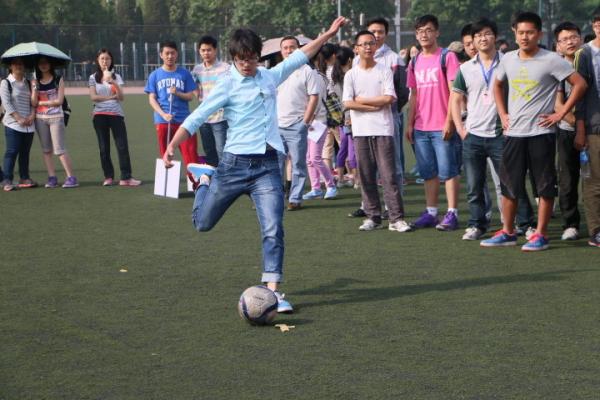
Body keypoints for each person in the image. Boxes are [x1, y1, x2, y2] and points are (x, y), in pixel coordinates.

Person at [162, 17, 348, 313]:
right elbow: (197, 117)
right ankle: (204, 181)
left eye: (251, 59)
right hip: (233, 166)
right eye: (241, 60)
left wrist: (328, 34)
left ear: (258, 57)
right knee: (202, 224)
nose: (247, 64)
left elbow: (302, 55)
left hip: (268, 167)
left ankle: (273, 291)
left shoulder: (269, 76)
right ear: (233, 58)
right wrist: (172, 145)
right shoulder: (226, 85)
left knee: (273, 228)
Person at [481, 11, 587, 251]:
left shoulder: (552, 60)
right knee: (509, 185)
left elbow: (580, 84)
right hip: (514, 133)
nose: (525, 37)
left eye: (530, 32)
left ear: (539, 34)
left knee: (544, 187)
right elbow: (497, 85)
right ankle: (508, 232)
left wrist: (561, 113)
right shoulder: (508, 59)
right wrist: (502, 114)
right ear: (514, 33)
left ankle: (541, 234)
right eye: (520, 32)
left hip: (541, 133)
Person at [343, 30, 411, 233]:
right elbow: (348, 102)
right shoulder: (351, 74)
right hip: (361, 131)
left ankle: (396, 218)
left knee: (389, 176)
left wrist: (362, 101)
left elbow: (389, 98)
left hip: (383, 129)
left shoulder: (384, 70)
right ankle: (373, 216)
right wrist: (372, 106)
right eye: (363, 44)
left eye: (371, 43)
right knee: (366, 176)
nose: (368, 47)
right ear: (356, 49)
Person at [406, 14, 462, 231]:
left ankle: (452, 213)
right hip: (421, 128)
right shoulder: (414, 61)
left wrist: (450, 121)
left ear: (437, 32)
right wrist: (410, 123)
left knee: (449, 171)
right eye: (420, 31)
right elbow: (414, 95)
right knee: (428, 173)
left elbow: (454, 93)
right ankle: (431, 212)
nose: (424, 34)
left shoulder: (447, 57)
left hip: (442, 126)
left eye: (428, 30)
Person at [451, 18, 504, 240]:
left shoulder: (508, 62)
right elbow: (455, 100)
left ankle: (520, 223)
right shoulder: (465, 68)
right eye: (478, 35)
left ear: (495, 37)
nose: (483, 38)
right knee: (474, 187)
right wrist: (461, 129)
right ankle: (477, 224)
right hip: (473, 135)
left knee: (509, 184)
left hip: (500, 134)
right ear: (472, 41)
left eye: (487, 33)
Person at [145, 41, 200, 183]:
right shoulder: (155, 75)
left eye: (172, 53)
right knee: (166, 154)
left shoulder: (184, 73)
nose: (170, 56)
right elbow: (152, 99)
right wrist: (163, 114)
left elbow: (190, 96)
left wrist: (177, 93)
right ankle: (167, 184)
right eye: (167, 53)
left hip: (184, 121)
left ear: (177, 54)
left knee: (190, 153)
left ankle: (195, 183)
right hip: (163, 121)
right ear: (161, 55)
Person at [277, 35, 321, 210]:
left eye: (292, 47)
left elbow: (314, 97)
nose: (289, 51)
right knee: (275, 165)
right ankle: (275, 198)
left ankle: (295, 198)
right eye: (285, 48)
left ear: (299, 49)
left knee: (298, 164)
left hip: (297, 125)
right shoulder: (277, 70)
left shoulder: (307, 71)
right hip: (277, 126)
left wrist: (305, 122)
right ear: (281, 51)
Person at [89, 49, 141, 186]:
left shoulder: (117, 77)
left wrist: (113, 82)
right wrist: (111, 97)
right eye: (102, 59)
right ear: (97, 61)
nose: (105, 61)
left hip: (116, 115)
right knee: (103, 148)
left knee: (122, 146)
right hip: (99, 115)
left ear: (111, 61)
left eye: (107, 59)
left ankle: (126, 177)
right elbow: (93, 97)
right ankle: (108, 177)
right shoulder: (93, 77)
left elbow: (121, 97)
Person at [554, 22, 584, 240]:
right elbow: (557, 105)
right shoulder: (555, 68)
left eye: (573, 37)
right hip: (566, 129)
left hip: (593, 129)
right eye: (564, 39)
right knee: (567, 179)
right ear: (558, 45)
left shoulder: (590, 64)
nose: (570, 42)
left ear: (581, 39)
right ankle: (571, 224)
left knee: (594, 180)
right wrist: (576, 123)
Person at [31, 57, 78, 188]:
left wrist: (42, 102)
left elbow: (59, 101)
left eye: (46, 62)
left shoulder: (58, 79)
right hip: (40, 119)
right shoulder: (35, 82)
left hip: (56, 117)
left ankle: (71, 177)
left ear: (50, 64)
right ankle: (52, 178)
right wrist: (34, 88)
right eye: (40, 63)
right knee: (46, 150)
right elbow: (33, 103)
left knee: (59, 149)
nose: (43, 65)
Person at [576, 15, 600, 247]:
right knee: (594, 180)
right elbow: (580, 94)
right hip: (594, 125)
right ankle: (596, 230)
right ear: (594, 26)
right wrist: (580, 128)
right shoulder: (585, 54)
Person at [302, 49, 338, 201]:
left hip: (317, 121)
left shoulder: (315, 76)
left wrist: (309, 117)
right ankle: (316, 188)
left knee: (315, 157)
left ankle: (330, 185)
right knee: (309, 158)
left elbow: (315, 100)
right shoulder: (316, 75)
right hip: (310, 121)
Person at [192, 35, 230, 167]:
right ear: (199, 51)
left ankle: (226, 176)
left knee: (222, 150)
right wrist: (198, 95)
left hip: (221, 117)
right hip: (204, 117)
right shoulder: (197, 69)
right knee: (209, 151)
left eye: (209, 50)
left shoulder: (225, 68)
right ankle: (213, 177)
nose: (206, 53)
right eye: (203, 50)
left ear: (215, 50)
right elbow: (193, 84)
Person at [0, 57, 36, 191]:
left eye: (21, 64)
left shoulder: (28, 83)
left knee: (25, 153)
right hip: (13, 123)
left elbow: (33, 102)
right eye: (15, 64)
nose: (19, 66)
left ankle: (24, 178)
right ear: (10, 66)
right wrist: (18, 118)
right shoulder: (6, 82)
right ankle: (7, 180)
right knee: (12, 151)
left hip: (28, 124)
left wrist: (32, 115)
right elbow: (6, 103)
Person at [332, 46, 358, 189]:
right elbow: (347, 100)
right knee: (353, 149)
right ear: (349, 60)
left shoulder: (335, 77)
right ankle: (357, 179)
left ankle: (341, 178)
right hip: (350, 117)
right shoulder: (349, 76)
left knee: (343, 148)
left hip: (340, 118)